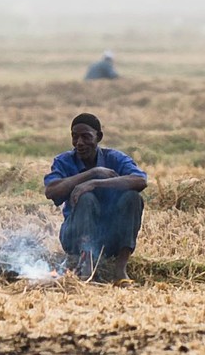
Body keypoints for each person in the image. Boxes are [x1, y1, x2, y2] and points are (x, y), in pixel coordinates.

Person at [43, 112, 148, 281]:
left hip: (110, 238)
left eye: (86, 137)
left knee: (133, 198)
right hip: (75, 238)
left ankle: (120, 269)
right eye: (75, 137)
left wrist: (96, 183)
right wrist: (92, 173)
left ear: (98, 137)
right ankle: (87, 265)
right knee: (86, 198)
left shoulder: (115, 158)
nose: (79, 143)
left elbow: (140, 180)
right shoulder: (64, 161)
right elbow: (51, 191)